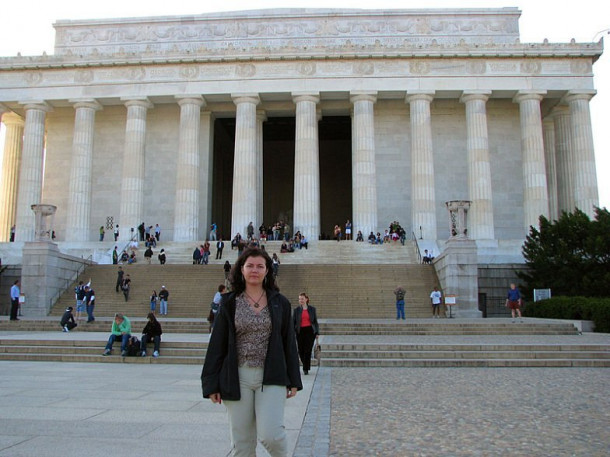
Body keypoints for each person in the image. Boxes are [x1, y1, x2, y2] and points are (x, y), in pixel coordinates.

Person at [201, 247, 302, 457]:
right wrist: (211, 383)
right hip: (237, 375)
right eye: (250, 266)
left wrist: (294, 379)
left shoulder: (280, 302)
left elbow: (288, 343)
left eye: (260, 266)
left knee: (271, 435)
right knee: (242, 443)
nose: (254, 270)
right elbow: (217, 344)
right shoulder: (229, 302)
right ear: (241, 270)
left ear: (267, 271)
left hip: (271, 374)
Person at [293, 292, 320, 375]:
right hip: (300, 331)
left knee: (308, 350)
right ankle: (305, 364)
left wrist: (317, 332)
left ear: (306, 299)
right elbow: (293, 322)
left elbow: (315, 322)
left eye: (302, 298)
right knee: (301, 350)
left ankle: (305, 368)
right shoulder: (296, 310)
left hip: (310, 331)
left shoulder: (312, 309)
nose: (300, 300)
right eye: (299, 299)